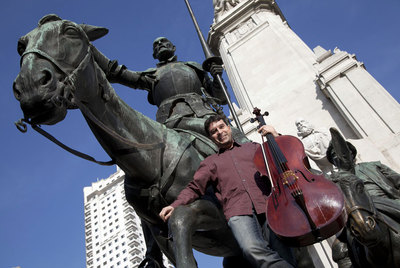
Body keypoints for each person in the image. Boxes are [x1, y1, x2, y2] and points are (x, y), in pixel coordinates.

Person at [159, 114, 296, 268]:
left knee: (283, 250)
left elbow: (281, 159)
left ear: (229, 128)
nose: (219, 132)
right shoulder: (210, 163)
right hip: (238, 211)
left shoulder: (253, 147)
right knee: (250, 249)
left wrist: (276, 136)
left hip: (268, 204)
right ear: (211, 138)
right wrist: (175, 205)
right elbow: (194, 187)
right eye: (214, 131)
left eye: (222, 127)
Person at [92, 37, 248, 156]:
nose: (160, 44)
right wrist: (89, 47)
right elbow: (117, 73)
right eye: (156, 45)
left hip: (203, 116)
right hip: (169, 122)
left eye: (164, 42)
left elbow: (220, 98)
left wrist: (216, 77)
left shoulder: (193, 67)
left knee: (239, 139)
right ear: (154, 55)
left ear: (173, 47)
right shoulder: (151, 75)